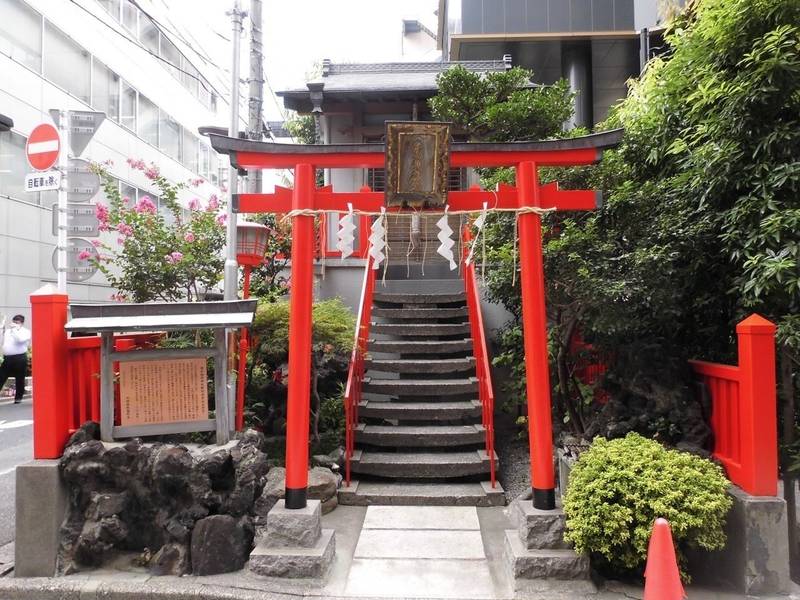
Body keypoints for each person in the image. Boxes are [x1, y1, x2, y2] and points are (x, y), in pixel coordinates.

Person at [0, 315, 32, 403]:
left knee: (20, 378)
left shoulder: (25, 332)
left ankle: (18, 398)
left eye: (17, 323)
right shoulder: (8, 331)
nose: (14, 324)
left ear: (21, 323)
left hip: (20, 357)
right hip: (7, 358)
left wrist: (14, 330)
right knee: (1, 376)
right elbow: (2, 341)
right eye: (14, 322)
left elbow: (20, 340)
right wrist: (1, 328)